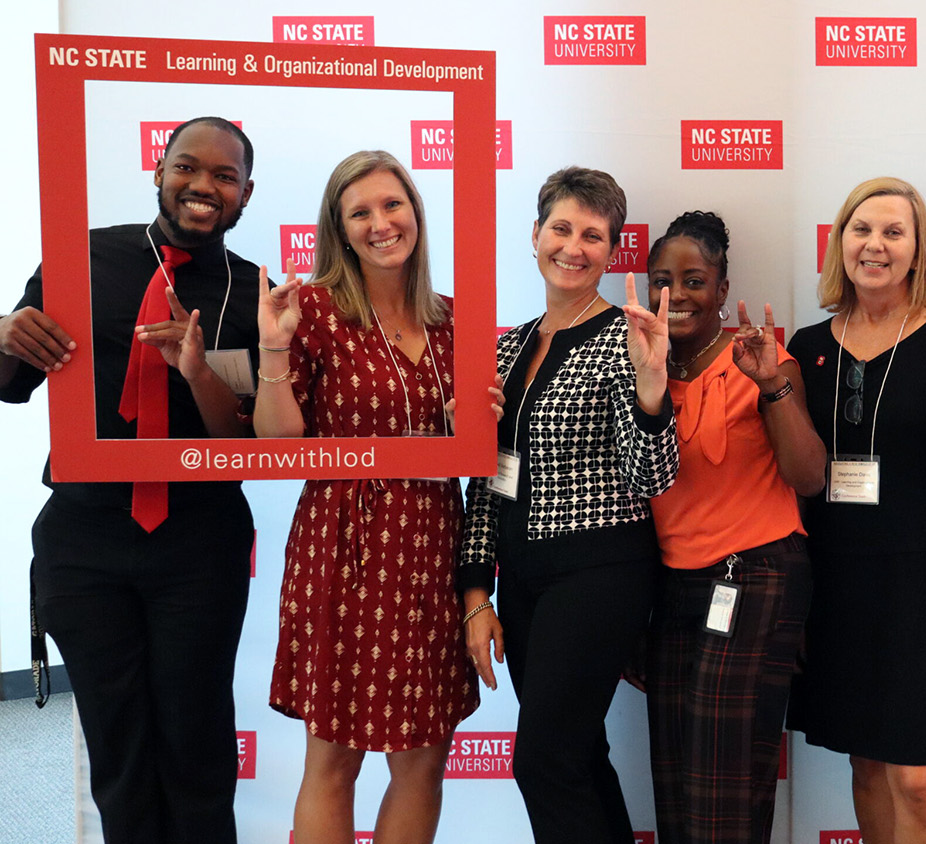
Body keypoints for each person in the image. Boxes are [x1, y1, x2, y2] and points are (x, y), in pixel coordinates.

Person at [0, 117, 258, 843]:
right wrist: (1, 330)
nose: (204, 185)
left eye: (225, 176)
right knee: (118, 748)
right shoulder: (77, 257)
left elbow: (245, 443)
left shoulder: (253, 292)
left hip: (199, 544)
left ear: (245, 194)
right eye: (188, 166)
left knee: (198, 741)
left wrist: (198, 369)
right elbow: (10, 380)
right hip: (84, 542)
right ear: (159, 169)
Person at [254, 150, 479, 844]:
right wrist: (272, 353)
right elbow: (279, 443)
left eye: (393, 205)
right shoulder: (311, 310)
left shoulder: (454, 319)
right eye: (361, 213)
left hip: (435, 546)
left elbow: (475, 441)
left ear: (415, 212)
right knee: (335, 757)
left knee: (423, 758)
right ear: (339, 229)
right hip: (345, 544)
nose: (382, 223)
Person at [457, 166, 679, 843]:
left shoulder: (625, 338)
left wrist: (650, 388)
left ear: (611, 252)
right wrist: (475, 591)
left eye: (593, 235)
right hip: (523, 583)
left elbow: (653, 476)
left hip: (598, 575)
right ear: (535, 235)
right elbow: (487, 477)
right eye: (562, 228)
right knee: (578, 756)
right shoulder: (509, 345)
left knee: (544, 760)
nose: (573, 246)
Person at [786, 177, 926, 844]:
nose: (875, 245)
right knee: (869, 765)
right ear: (839, 243)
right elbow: (802, 475)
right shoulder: (807, 347)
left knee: (920, 779)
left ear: (918, 251)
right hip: (842, 578)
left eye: (893, 232)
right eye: (861, 229)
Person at [641, 211, 825, 844]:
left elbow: (808, 477)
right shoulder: (643, 369)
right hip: (674, 588)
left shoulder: (762, 359)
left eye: (695, 279)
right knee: (674, 777)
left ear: (722, 288)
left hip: (755, 576)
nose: (677, 296)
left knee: (722, 782)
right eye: (661, 280)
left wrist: (771, 383)